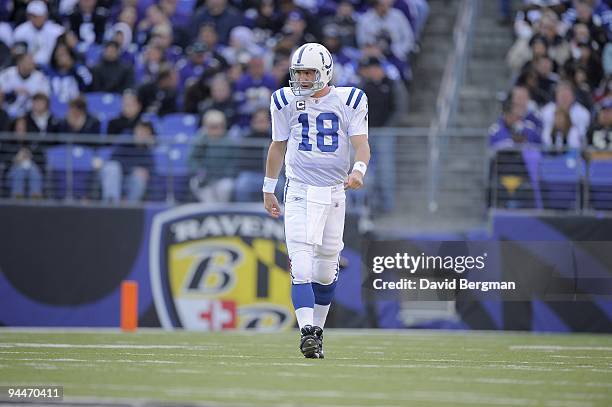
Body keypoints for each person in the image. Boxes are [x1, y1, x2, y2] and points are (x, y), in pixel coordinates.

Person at [263, 43, 370, 358]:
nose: (304, 78)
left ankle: (317, 332)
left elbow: (362, 145)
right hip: (299, 190)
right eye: (299, 73)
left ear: (325, 71)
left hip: (335, 192)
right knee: (301, 265)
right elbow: (277, 146)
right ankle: (306, 330)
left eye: (309, 72)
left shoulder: (350, 100)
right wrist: (269, 188)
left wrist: (359, 170)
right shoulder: (284, 100)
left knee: (325, 272)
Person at [101, 120, 155, 202]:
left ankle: (128, 209)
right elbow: (113, 159)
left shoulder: (148, 150)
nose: (141, 134)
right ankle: (111, 205)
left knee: (139, 179)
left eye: (145, 132)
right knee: (112, 167)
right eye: (140, 130)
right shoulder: (125, 140)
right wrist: (133, 169)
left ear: (149, 135)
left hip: (130, 181)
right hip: (115, 177)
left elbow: (150, 170)